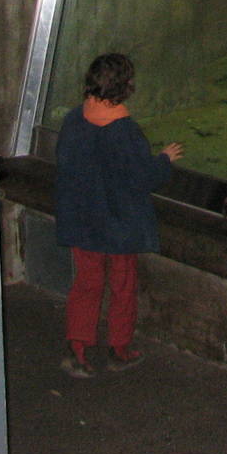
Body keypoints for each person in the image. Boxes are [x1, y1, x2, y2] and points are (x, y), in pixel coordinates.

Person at [54, 52, 183, 376]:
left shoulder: (73, 120)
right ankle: (118, 348)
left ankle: (77, 347)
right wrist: (164, 159)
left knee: (87, 283)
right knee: (122, 285)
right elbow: (142, 177)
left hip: (83, 222)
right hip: (119, 226)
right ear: (126, 88)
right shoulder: (125, 132)